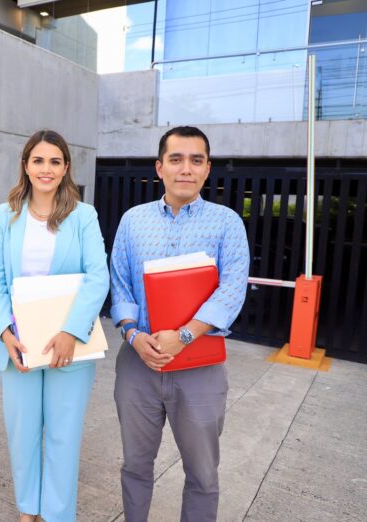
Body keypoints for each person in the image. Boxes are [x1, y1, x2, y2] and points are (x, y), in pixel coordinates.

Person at [110, 126, 250, 522]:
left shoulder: (226, 223)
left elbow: (232, 290)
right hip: (139, 364)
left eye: (196, 160)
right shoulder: (133, 221)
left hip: (201, 368)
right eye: (175, 159)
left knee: (203, 474)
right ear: (159, 167)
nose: (185, 169)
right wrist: (132, 334)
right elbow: (120, 283)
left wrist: (185, 335)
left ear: (207, 170)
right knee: (135, 467)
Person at [0, 129, 109, 522]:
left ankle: (57, 515)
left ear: (66, 167)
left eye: (55, 161)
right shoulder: (4, 214)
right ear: (25, 165)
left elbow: (97, 276)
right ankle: (28, 509)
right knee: (23, 435)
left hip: (67, 343)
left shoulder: (83, 215)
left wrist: (72, 332)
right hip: (19, 343)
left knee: (63, 436)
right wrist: (5, 331)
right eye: (38, 160)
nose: (46, 168)